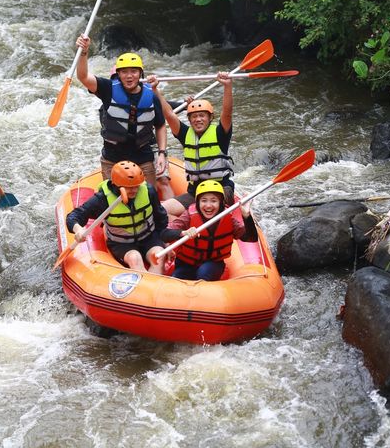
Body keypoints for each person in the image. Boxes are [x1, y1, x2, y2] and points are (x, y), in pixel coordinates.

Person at [75, 34, 174, 201]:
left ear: (140, 73)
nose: (129, 76)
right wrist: (84, 53)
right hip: (113, 158)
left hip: (142, 156)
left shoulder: (151, 96)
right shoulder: (108, 89)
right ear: (118, 74)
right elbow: (83, 77)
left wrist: (162, 153)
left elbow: (160, 125)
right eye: (125, 72)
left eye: (134, 71)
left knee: (148, 200)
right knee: (113, 201)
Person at [66, 160, 171, 274]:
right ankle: (145, 284)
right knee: (134, 258)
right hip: (121, 243)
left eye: (136, 186)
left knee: (159, 257)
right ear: (116, 184)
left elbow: (160, 217)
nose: (134, 190)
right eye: (129, 187)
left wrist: (165, 240)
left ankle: (152, 288)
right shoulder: (102, 199)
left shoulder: (148, 190)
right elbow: (74, 216)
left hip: (149, 237)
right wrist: (78, 229)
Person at [154, 72, 235, 217]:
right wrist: (155, 90)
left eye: (202, 115)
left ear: (210, 117)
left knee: (204, 212)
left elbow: (227, 113)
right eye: (194, 116)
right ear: (190, 120)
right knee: (159, 213)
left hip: (220, 189)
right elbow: (169, 115)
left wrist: (227, 86)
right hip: (195, 191)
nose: (198, 119)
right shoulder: (186, 135)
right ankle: (183, 231)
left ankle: (196, 219)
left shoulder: (220, 133)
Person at [160, 180, 257, 281]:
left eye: (214, 201)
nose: (208, 205)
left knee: (204, 272)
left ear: (221, 203)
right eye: (204, 200)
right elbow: (164, 234)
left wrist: (246, 216)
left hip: (213, 263)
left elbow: (251, 238)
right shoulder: (188, 216)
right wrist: (183, 233)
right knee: (177, 278)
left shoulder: (228, 218)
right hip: (186, 264)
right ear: (197, 202)